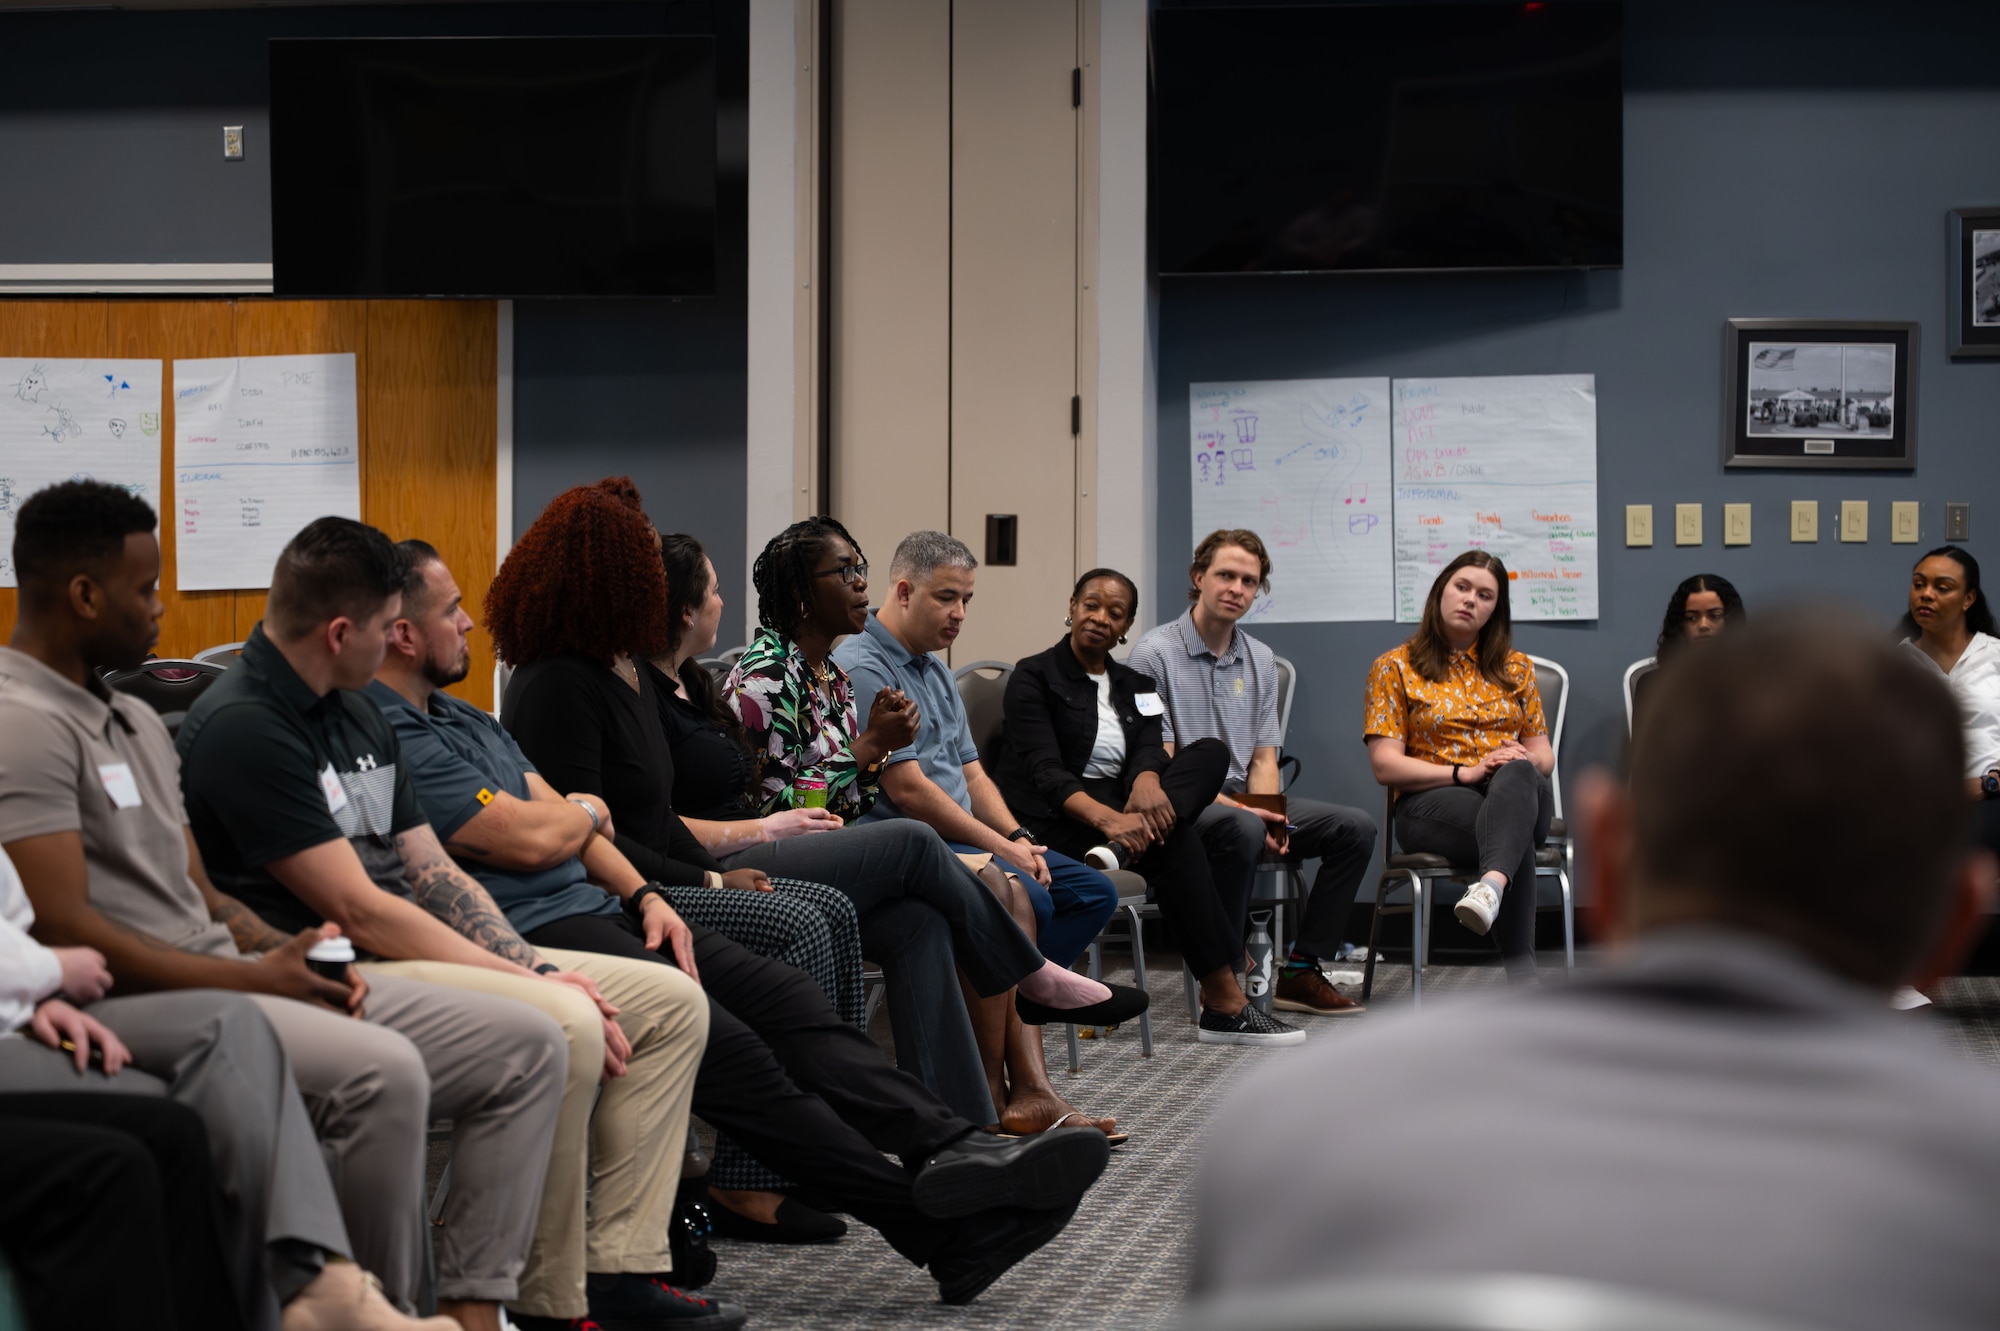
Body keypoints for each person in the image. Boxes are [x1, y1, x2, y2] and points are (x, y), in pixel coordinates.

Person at [1197, 613, 2000, 1331]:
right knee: (1512, 789)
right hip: (1441, 802)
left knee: (1518, 781)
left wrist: (1509, 762)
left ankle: (1494, 880)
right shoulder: (1977, 1183)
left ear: (1606, 863)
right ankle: (1501, 881)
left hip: (1501, 801)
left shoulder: (1299, 1118)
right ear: (1958, 920)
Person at [382, 540, 1117, 1307]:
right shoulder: (432, 724)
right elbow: (548, 829)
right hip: (548, 924)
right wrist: (632, 845)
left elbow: (582, 826)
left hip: (624, 901)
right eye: (450, 609)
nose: (470, 621)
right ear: (399, 630)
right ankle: (939, 1213)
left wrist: (643, 894)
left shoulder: (471, 720)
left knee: (796, 1002)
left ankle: (957, 1145)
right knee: (751, 1055)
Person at [175, 516, 715, 1331]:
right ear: (342, 632)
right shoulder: (248, 724)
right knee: (558, 1019)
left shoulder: (355, 713)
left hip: (406, 945)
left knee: (670, 1001)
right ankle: (487, 1302)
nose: (402, 642)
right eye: (388, 626)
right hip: (334, 964)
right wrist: (529, 973)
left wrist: (522, 958)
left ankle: (592, 1277)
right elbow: (360, 905)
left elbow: (431, 872)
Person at [0, 482, 505, 1329]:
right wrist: (256, 982)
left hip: (199, 968)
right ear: (84, 595)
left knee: (384, 1060)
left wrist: (281, 952)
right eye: (144, 588)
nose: (162, 608)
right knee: (364, 1063)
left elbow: (199, 891)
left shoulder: (127, 714)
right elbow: (65, 933)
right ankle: (326, 1295)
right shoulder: (21, 720)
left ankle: (391, 1306)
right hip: (121, 988)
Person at [489, 479, 867, 1235]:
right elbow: (589, 833)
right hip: (613, 896)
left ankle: (829, 1147)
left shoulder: (632, 678)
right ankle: (751, 1178)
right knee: (820, 909)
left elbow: (652, 814)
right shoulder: (562, 685)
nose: (660, 582)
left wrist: (712, 866)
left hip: (672, 870)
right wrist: (709, 874)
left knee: (838, 907)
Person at [668, 530, 1137, 1140]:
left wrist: (872, 756)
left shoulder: (830, 678)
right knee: (925, 844)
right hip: (762, 849)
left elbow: (852, 794)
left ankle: (960, 1131)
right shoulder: (764, 677)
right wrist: (869, 751)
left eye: (861, 567)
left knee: (927, 922)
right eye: (846, 572)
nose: (862, 582)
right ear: (803, 596)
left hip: (828, 846)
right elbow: (769, 802)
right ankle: (1030, 975)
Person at [0, 840, 449, 1331]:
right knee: (373, 1068)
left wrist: (39, 996)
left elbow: (14, 924)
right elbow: (359, 907)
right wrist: (47, 974)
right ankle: (322, 1287)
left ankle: (413, 1305)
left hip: (38, 1001)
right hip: (85, 993)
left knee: (533, 1037)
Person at [994, 569, 1305, 1046]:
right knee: (1177, 841)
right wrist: (1110, 819)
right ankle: (1225, 1002)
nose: (1100, 618)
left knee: (1211, 754)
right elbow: (1046, 773)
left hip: (1125, 813)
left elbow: (1150, 747)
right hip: (1054, 819)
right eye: (1091, 605)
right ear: (1072, 605)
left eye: (1114, 613)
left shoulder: (1135, 682)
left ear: (1126, 626)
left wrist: (1145, 781)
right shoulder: (1033, 676)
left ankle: (1125, 848)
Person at [831, 530, 1121, 967]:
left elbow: (971, 773)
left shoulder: (934, 667)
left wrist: (1017, 837)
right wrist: (1004, 850)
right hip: (917, 842)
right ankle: (1006, 1014)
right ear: (905, 592)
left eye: (967, 600)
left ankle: (1014, 1003)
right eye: (948, 598)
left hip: (962, 836)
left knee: (1093, 893)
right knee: (1033, 902)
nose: (960, 613)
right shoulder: (863, 665)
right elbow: (909, 792)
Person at [1128, 528, 1378, 1014]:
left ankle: (1302, 972)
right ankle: (1222, 978)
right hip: (1180, 803)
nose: (1236, 589)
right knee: (1240, 827)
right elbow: (1163, 761)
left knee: (1354, 828)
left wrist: (1270, 812)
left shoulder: (1260, 659)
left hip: (1243, 799)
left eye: (1249, 580)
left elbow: (1264, 758)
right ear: (1199, 577)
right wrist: (1249, 813)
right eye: (1225, 575)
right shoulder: (1154, 653)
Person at [1362, 551, 1554, 980]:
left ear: (1495, 609)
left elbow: (1544, 756)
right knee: (1510, 835)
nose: (1470, 600)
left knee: (1519, 775)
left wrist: (1523, 757)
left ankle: (1489, 889)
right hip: (1434, 803)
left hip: (1518, 792)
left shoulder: (1517, 668)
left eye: (1485, 595)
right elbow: (1385, 766)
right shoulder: (1394, 666)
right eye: (1462, 587)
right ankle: (1519, 963)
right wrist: (1462, 773)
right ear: (1440, 592)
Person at [1899, 545, 2000, 860]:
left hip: (1989, 795)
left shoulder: (1995, 655)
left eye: (1942, 588)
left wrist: (1990, 783)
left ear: (1968, 599)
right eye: (1919, 584)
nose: (1926, 595)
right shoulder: (1893, 664)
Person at [1653, 573, 1746, 660]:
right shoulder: (1656, 677)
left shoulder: (1754, 676)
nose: (1703, 625)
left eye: (1714, 616)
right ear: (1680, 625)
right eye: (1692, 618)